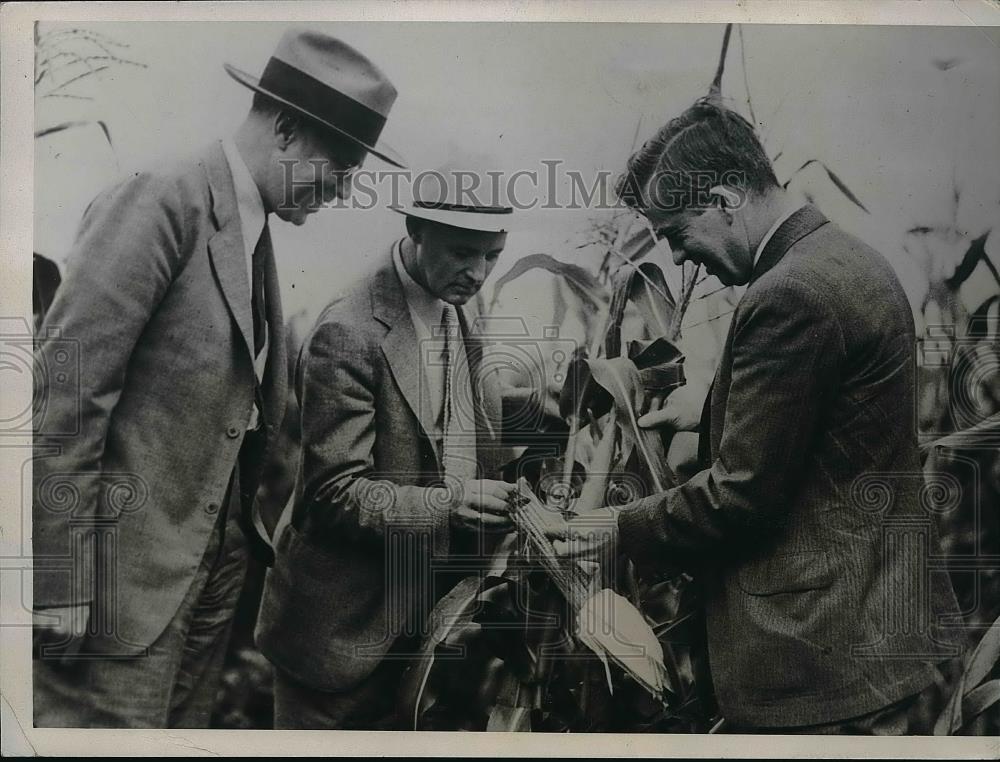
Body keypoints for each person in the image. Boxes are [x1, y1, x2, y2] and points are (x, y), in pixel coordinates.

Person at [547, 99, 965, 734]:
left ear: (724, 198)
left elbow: (742, 495)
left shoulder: (787, 294)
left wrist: (612, 526)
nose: (681, 259)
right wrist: (712, 408)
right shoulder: (851, 260)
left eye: (676, 233)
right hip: (878, 637)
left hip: (820, 666)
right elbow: (833, 426)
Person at [31, 28, 404, 728]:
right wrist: (55, 582)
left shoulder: (252, 233)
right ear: (288, 130)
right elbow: (63, 390)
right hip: (116, 597)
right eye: (343, 167)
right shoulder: (162, 199)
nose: (345, 191)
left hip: (200, 595)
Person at [255, 161, 518, 729]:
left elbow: (472, 403)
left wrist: (593, 387)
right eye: (462, 252)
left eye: (492, 256)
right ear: (414, 229)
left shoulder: (457, 301)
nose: (477, 273)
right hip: (338, 640)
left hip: (425, 633)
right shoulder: (347, 330)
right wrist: (449, 503)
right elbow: (333, 493)